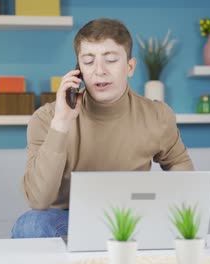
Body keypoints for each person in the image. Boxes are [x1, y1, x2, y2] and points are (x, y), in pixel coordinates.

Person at [11, 18, 194, 239]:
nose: (99, 71)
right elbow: (38, 200)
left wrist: (165, 202)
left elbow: (179, 163)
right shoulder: (46, 118)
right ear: (77, 71)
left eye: (110, 60)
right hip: (67, 222)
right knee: (30, 225)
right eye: (88, 62)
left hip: (130, 218)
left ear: (130, 67)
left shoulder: (157, 115)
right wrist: (61, 123)